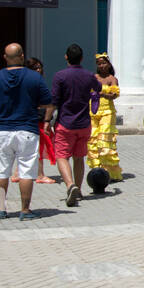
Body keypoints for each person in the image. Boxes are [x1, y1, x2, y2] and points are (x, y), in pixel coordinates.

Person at [0, 43, 53, 220]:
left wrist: (1, 107)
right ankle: (25, 210)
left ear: (5, 57)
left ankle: (1, 208)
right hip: (27, 130)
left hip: (2, 131)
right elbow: (47, 102)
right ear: (22, 56)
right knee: (27, 172)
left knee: (0, 172)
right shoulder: (35, 78)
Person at [51, 43, 102, 207]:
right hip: (84, 123)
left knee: (61, 156)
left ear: (66, 57)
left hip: (65, 123)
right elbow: (98, 88)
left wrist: (47, 120)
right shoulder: (88, 75)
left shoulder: (60, 76)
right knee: (79, 158)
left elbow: (54, 100)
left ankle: (69, 185)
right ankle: (78, 190)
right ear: (81, 58)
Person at [88, 53, 123, 182]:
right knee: (92, 140)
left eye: (104, 63)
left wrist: (103, 94)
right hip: (93, 111)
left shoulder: (111, 79)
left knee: (105, 139)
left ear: (108, 64)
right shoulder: (93, 77)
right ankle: (96, 170)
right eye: (99, 63)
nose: (102, 66)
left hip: (107, 112)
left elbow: (114, 95)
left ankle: (109, 172)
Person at [27, 58, 57, 183]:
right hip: (37, 119)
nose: (38, 70)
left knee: (27, 148)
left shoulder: (26, 82)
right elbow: (47, 102)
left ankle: (18, 173)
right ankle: (40, 175)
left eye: (40, 67)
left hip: (30, 118)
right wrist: (47, 120)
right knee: (38, 147)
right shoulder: (37, 83)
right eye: (35, 68)